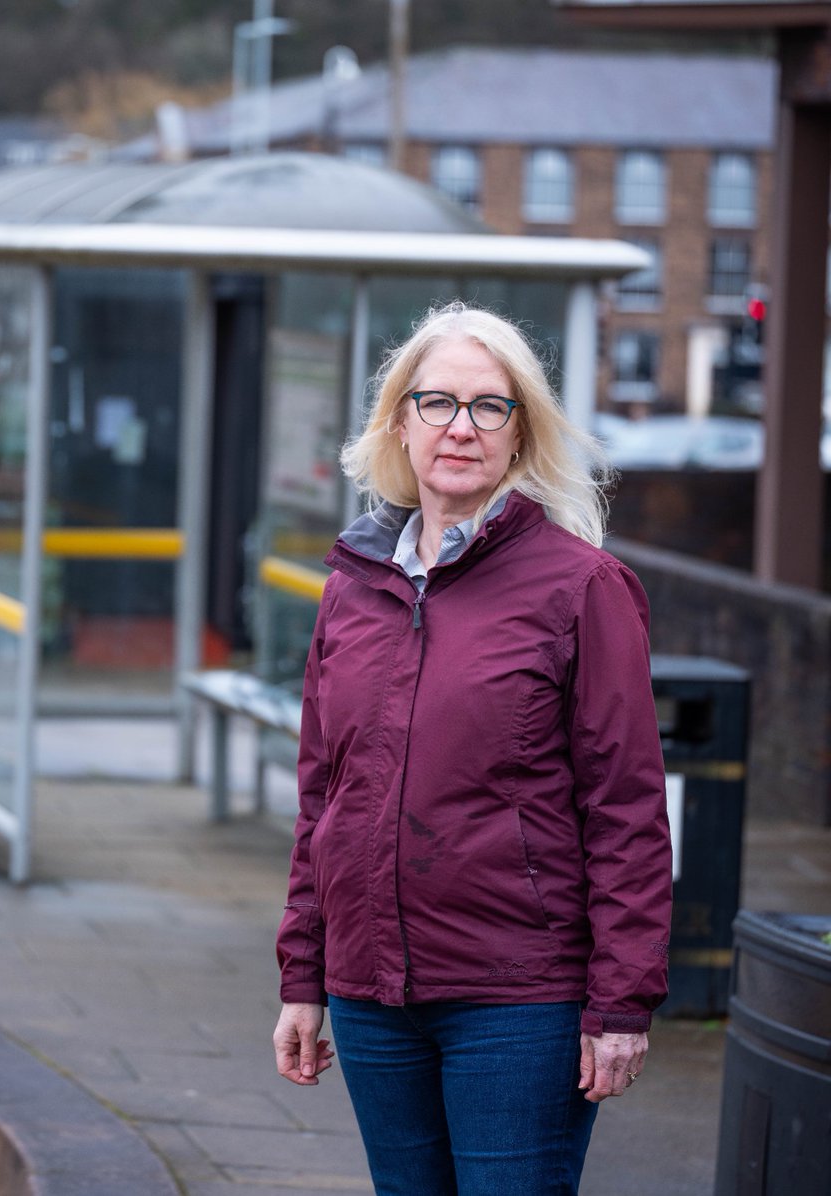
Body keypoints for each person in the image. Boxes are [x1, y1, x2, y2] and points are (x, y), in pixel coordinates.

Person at [272, 302, 672, 1196]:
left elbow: (628, 812)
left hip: (519, 997)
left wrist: (621, 1003)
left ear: (520, 433)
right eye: (438, 402)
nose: (461, 426)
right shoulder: (354, 587)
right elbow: (320, 802)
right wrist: (304, 974)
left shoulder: (583, 589)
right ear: (399, 423)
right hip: (370, 994)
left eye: (489, 407)